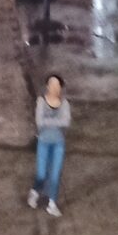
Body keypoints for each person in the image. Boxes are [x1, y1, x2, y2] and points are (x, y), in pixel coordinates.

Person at [28, 73, 71, 216]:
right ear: (47, 86)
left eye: (57, 85)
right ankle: (34, 191)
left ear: (60, 88)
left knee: (55, 175)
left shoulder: (65, 104)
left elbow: (66, 122)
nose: (54, 87)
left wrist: (48, 122)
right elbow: (39, 121)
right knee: (41, 174)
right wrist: (55, 122)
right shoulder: (41, 101)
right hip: (44, 143)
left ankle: (52, 203)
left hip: (58, 144)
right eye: (51, 84)